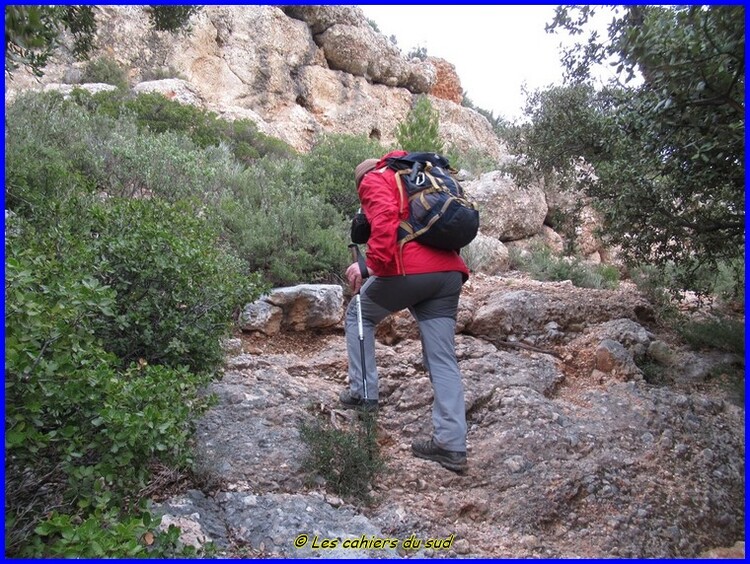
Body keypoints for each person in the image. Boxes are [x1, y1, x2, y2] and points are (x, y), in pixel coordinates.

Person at [340, 150, 470, 473]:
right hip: (449, 274)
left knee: (359, 314)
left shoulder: (375, 179)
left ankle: (363, 394)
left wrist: (368, 267)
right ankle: (451, 445)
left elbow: (383, 220)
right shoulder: (417, 179)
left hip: (410, 271)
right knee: (442, 358)